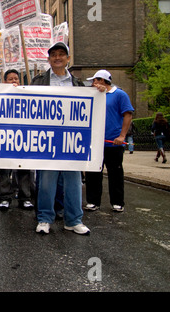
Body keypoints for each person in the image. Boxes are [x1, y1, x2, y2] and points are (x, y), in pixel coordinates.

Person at [31, 42, 90, 235]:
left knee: (73, 181)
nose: (57, 57)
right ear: (48, 59)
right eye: (53, 54)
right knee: (46, 181)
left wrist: (98, 91)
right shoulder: (38, 81)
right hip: (47, 140)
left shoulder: (79, 84)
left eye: (61, 54)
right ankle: (45, 219)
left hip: (71, 141)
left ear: (68, 59)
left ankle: (73, 220)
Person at [84, 70, 134, 213]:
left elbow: (127, 115)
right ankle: (93, 201)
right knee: (93, 173)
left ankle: (117, 202)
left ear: (103, 80)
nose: (93, 84)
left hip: (113, 142)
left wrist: (122, 136)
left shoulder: (119, 95)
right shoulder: (95, 95)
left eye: (95, 80)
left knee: (115, 173)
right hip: (95, 142)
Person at [0, 70, 35, 211]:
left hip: (22, 138)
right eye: (10, 79)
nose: (13, 81)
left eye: (16, 78)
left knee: (24, 170)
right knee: (5, 171)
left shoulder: (26, 95)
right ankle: (5, 198)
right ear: (4, 81)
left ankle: (25, 198)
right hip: (5, 139)